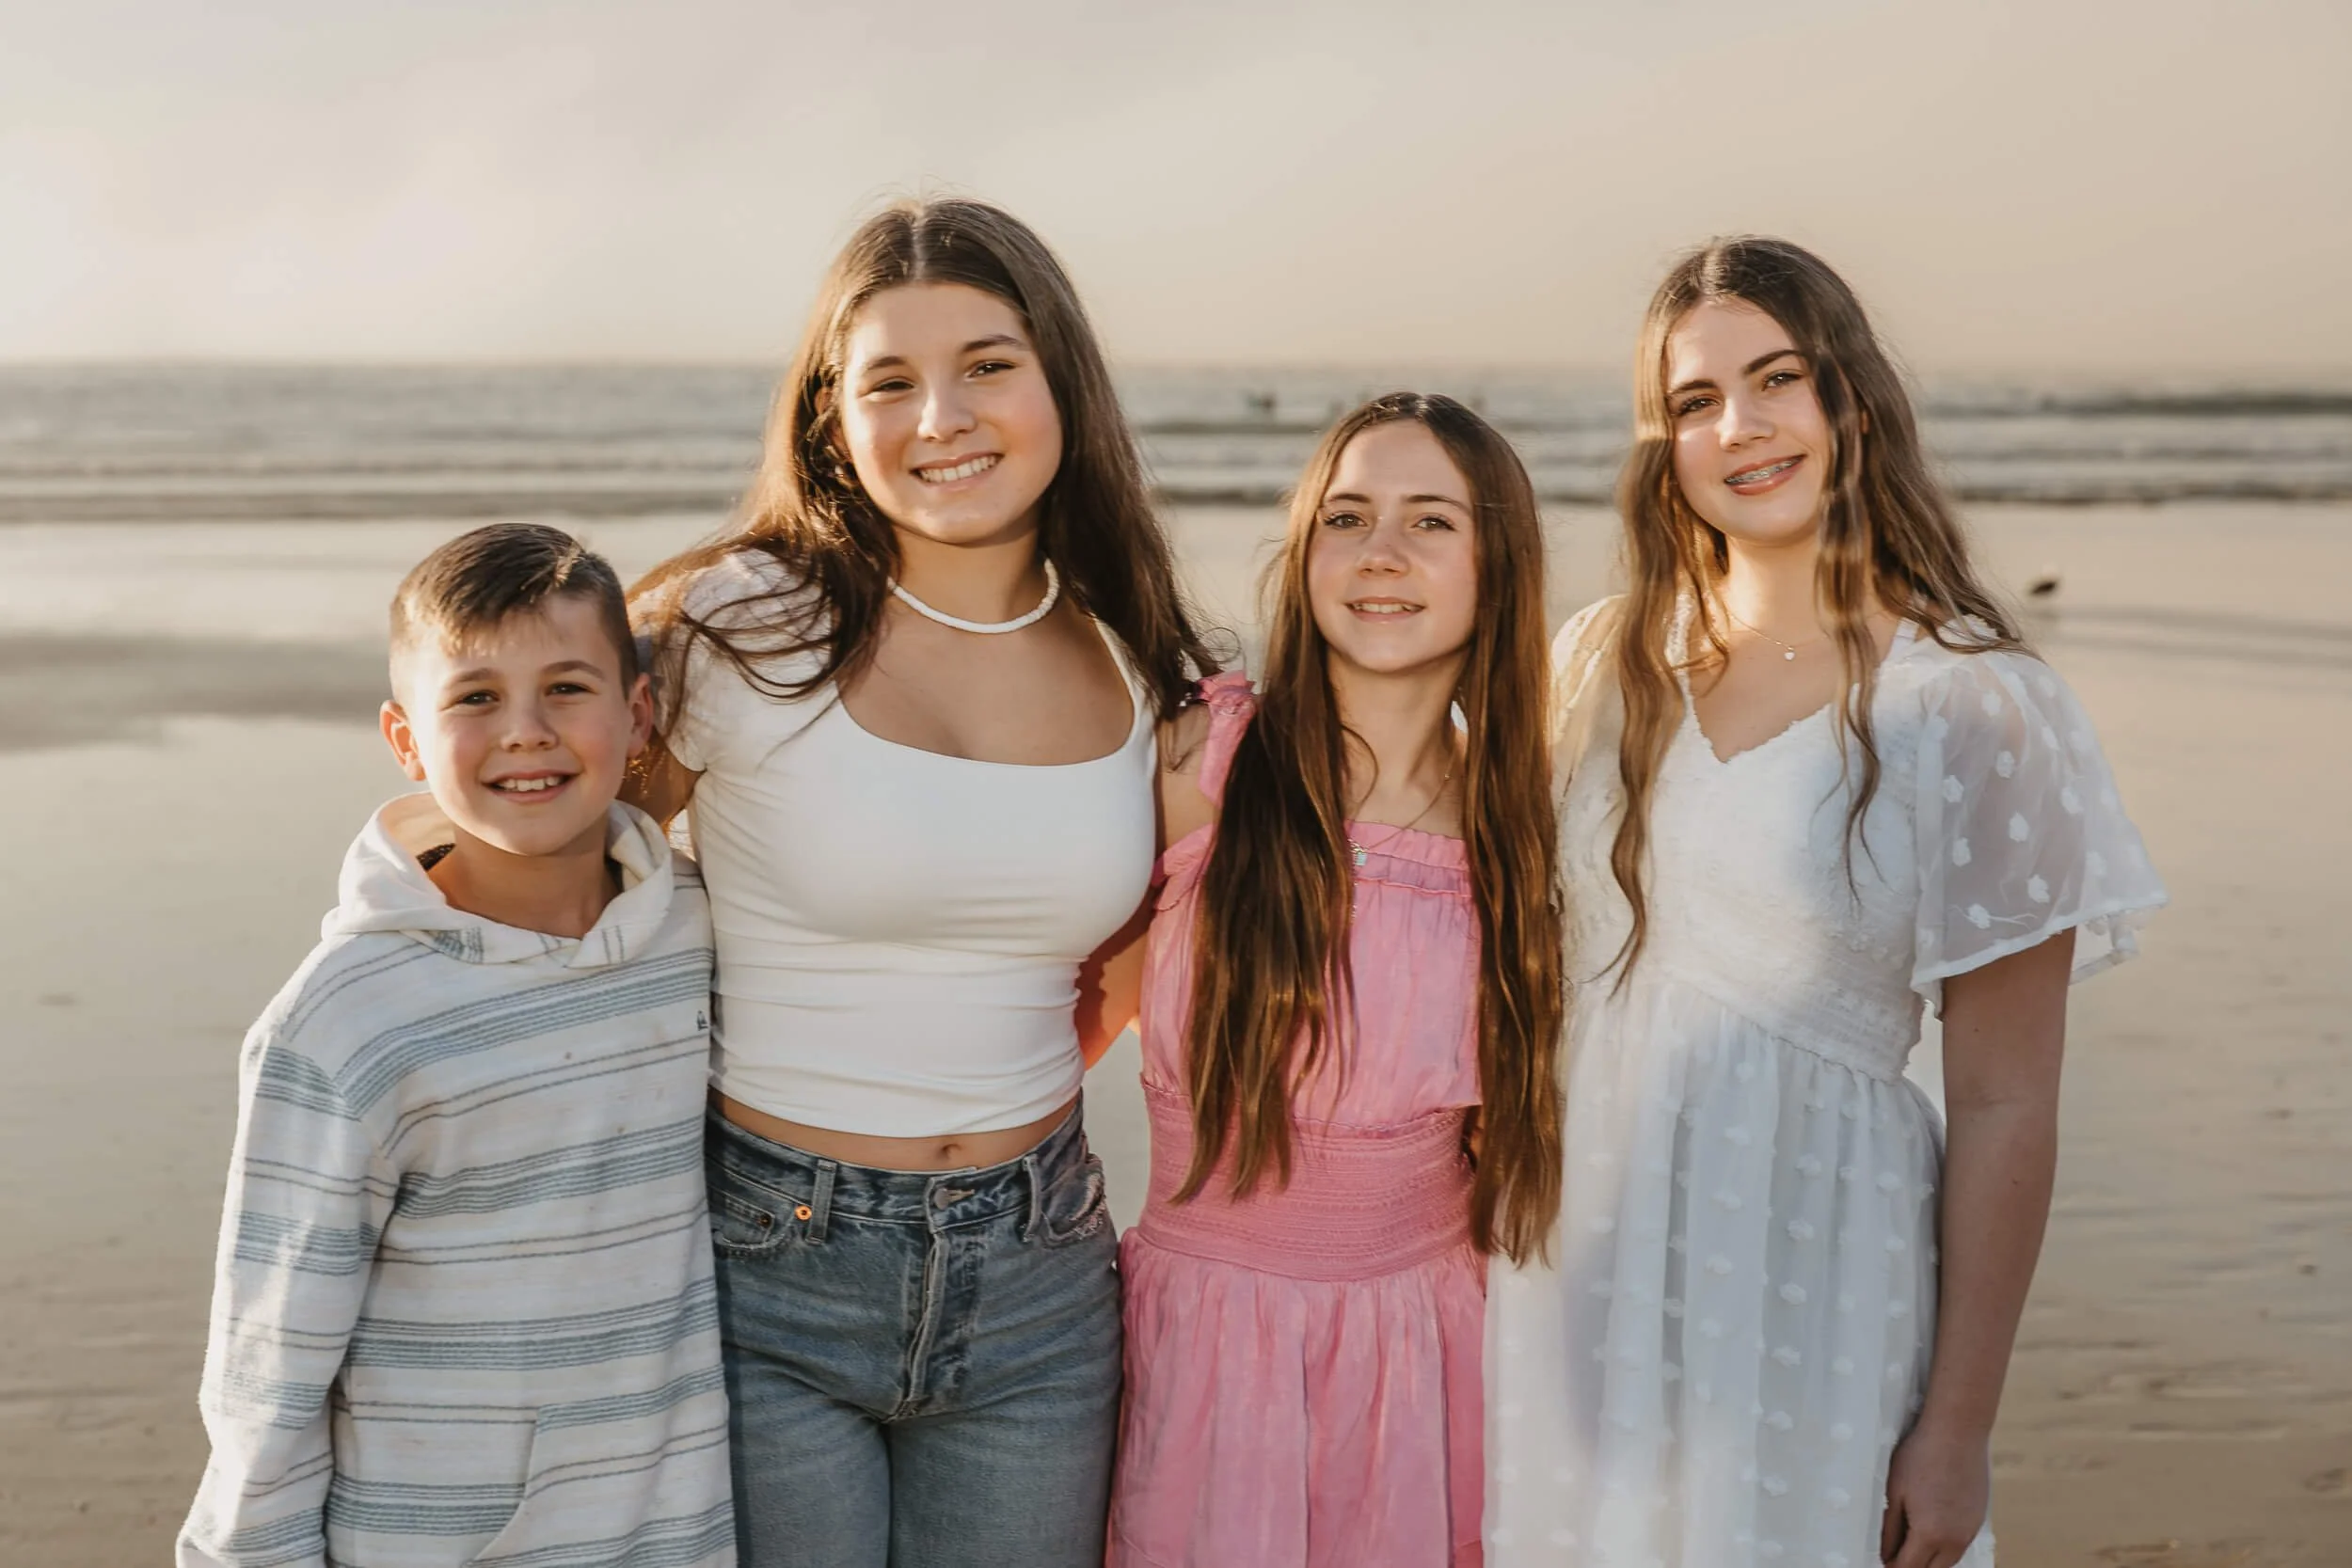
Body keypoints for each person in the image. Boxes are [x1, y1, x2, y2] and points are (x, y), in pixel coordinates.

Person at [1485, 239, 2169, 1568]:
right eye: (1694, 400)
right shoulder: (1597, 662)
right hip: (1570, 1262)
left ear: (1850, 400)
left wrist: (1960, 1421)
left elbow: (2007, 1100)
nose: (1738, 426)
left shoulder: (1973, 706)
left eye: (1776, 378)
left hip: (1811, 1260)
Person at [628, 198, 1215, 1568]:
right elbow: (537, 856)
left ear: (1062, 380)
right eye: (890, 379)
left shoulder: (1135, 663)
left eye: (989, 363)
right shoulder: (737, 624)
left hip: (1039, 1275)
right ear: (835, 416)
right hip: (769, 1262)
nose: (940, 413)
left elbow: (1125, 967)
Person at [178, 522, 731, 1568]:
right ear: (404, 739)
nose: (525, 731)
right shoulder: (347, 1021)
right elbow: (271, 1364)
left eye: (568, 687)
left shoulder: (698, 935)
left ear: (641, 713)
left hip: (677, 1531)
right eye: (474, 697)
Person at [1104, 393, 1565, 1568]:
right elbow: (1054, 999)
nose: (1382, 554)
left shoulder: (1526, 827)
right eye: (1346, 517)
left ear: (1496, 560)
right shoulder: (1201, 762)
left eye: (1430, 522)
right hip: (1200, 1339)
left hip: (1427, 1350)